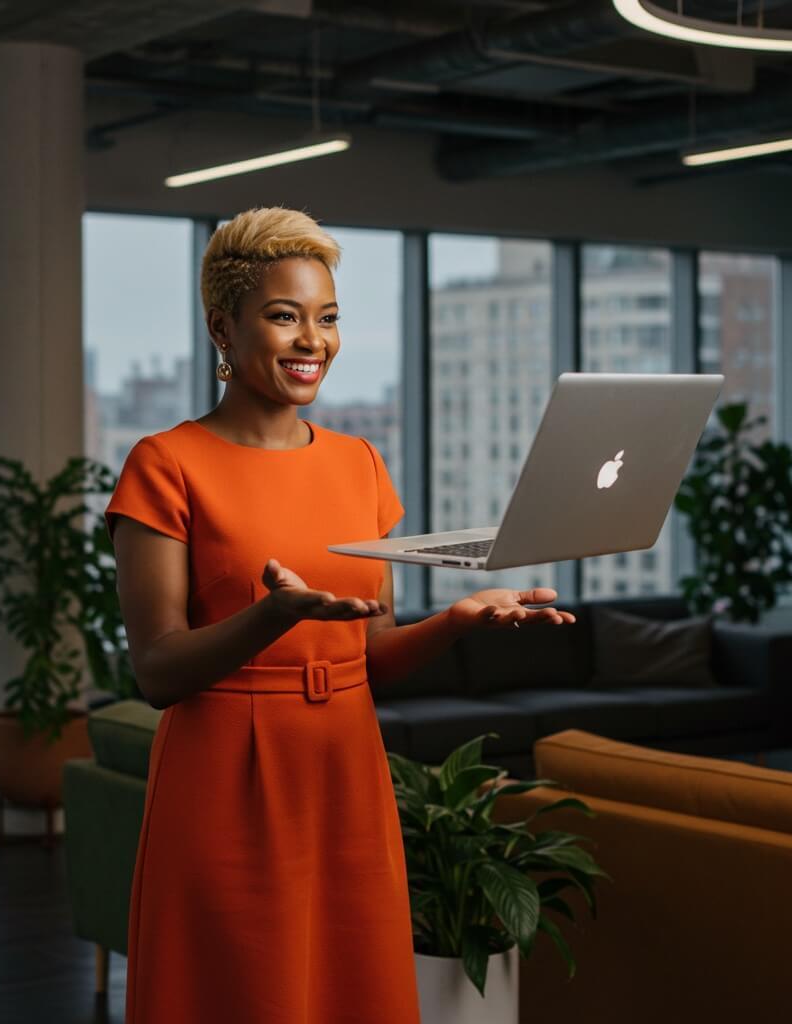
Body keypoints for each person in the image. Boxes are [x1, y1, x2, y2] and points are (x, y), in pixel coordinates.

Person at [105, 206, 576, 1023]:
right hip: (224, 778)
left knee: (350, 988)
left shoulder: (360, 464)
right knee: (241, 993)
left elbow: (375, 655)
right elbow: (156, 671)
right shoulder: (165, 463)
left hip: (344, 765)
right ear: (224, 327)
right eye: (284, 317)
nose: (311, 341)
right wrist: (273, 617)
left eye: (326, 319)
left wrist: (460, 621)